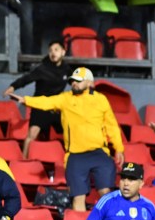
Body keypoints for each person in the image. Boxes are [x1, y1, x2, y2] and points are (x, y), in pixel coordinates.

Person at [11, 67, 124, 211]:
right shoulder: (65, 98)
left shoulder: (101, 100)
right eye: (72, 81)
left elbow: (112, 125)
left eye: (78, 81)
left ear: (89, 83)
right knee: (78, 197)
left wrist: (119, 148)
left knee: (106, 194)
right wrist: (25, 100)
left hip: (99, 153)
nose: (74, 84)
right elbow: (46, 102)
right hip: (76, 156)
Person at [3, 39, 69, 158]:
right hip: (40, 107)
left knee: (71, 133)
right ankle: (23, 162)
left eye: (56, 50)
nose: (53, 53)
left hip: (56, 108)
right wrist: (13, 87)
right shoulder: (42, 69)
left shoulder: (66, 69)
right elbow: (26, 79)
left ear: (63, 52)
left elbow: (78, 81)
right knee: (31, 136)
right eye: (50, 51)